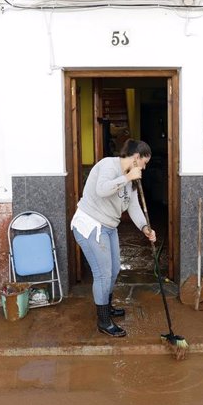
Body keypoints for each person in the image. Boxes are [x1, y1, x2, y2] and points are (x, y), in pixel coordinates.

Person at [70, 139, 157, 337]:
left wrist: (145, 227)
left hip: (109, 226)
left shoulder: (132, 180)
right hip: (90, 224)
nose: (144, 167)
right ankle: (103, 321)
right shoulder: (108, 165)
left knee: (114, 269)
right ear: (136, 158)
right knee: (103, 273)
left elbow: (133, 207)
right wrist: (126, 178)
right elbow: (102, 190)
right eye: (144, 163)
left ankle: (106, 307)